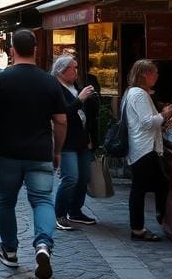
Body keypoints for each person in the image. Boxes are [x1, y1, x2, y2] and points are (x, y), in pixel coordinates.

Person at [0, 29, 66, 279]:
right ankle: (43, 245)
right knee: (42, 200)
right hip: (40, 153)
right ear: (35, 49)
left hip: (9, 154)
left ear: (12, 50)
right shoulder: (49, 81)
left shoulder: (2, 79)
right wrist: (57, 150)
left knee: (6, 202)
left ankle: (10, 251)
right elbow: (61, 121)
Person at [124, 59, 172, 242]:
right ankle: (139, 228)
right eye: (154, 72)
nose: (157, 76)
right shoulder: (139, 94)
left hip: (142, 147)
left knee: (152, 185)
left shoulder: (135, 92)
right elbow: (147, 122)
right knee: (146, 187)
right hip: (144, 148)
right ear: (145, 74)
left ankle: (148, 221)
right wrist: (165, 114)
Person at [51, 55, 97, 230]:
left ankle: (75, 211)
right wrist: (80, 100)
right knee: (70, 178)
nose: (76, 72)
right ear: (62, 71)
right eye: (73, 68)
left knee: (84, 177)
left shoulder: (74, 87)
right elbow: (62, 113)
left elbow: (84, 114)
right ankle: (59, 214)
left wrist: (90, 100)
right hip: (66, 140)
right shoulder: (56, 88)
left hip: (82, 139)